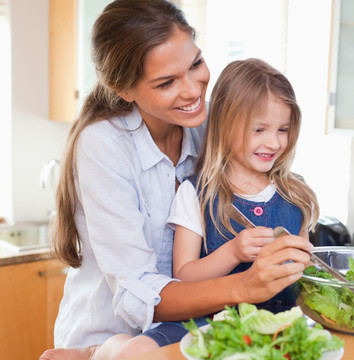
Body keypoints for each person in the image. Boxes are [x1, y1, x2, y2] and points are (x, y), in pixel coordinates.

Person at [40, 1, 313, 359]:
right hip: (115, 334)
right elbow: (140, 293)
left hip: (193, 331)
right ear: (125, 89)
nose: (192, 90)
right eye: (167, 82)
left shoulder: (204, 127)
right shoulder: (103, 145)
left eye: (196, 64)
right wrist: (246, 285)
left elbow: (261, 168)